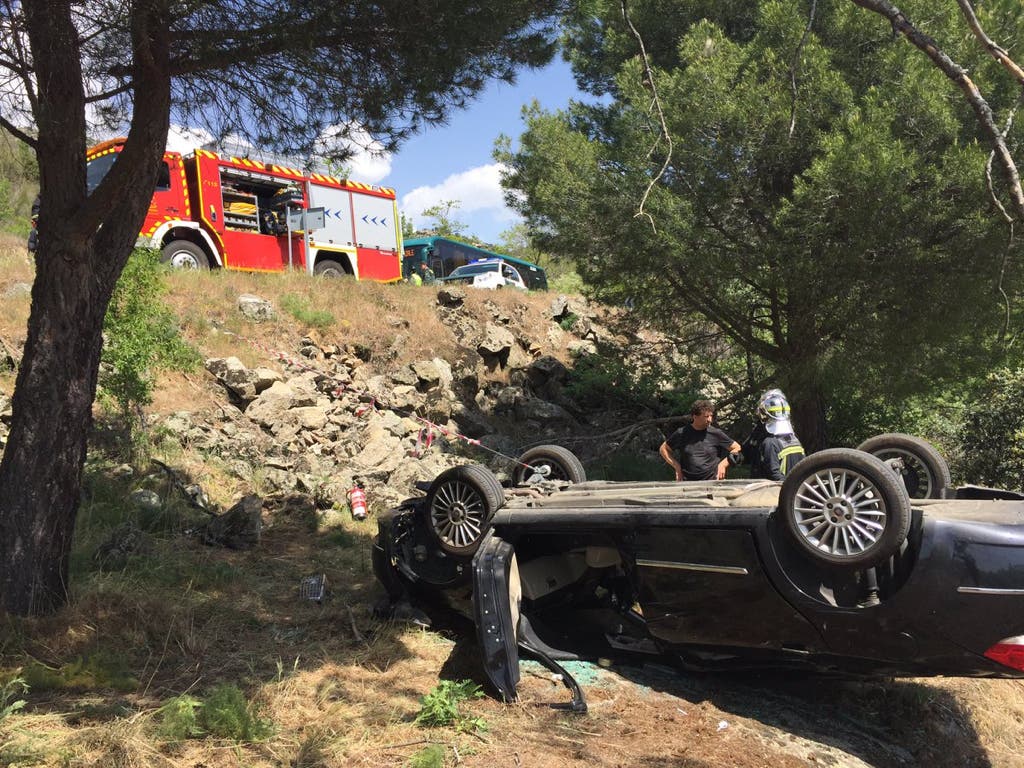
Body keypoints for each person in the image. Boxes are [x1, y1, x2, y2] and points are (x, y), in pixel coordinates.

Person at [660, 399, 742, 481]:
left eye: (711, 416)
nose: (710, 419)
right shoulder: (682, 433)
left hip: (712, 482)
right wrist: (677, 467)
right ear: (695, 417)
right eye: (706, 416)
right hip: (687, 483)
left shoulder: (716, 433)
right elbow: (663, 449)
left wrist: (723, 465)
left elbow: (736, 447)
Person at [743, 388, 805, 481]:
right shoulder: (795, 439)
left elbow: (774, 474)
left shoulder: (770, 443)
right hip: (797, 490)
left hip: (775, 493)